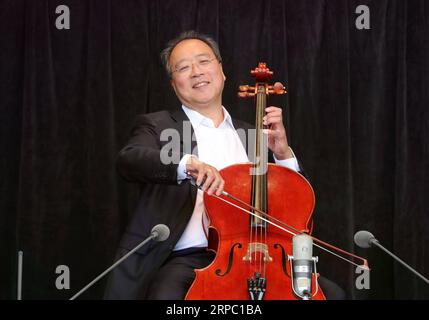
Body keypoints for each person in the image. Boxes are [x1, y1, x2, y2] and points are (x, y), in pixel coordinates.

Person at [104, 30, 345, 300]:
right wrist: (187, 165)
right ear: (174, 84)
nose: (196, 72)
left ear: (221, 71)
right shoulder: (158, 125)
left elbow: (297, 207)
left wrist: (283, 153)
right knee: (166, 296)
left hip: (260, 256)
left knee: (333, 295)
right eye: (183, 67)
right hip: (188, 260)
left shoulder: (254, 135)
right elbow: (130, 159)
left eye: (204, 61)